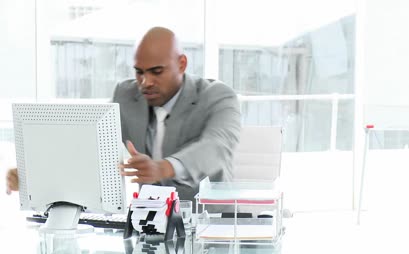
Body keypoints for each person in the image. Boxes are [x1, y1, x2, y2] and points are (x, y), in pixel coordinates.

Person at [6, 27, 241, 203]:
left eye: (156, 72)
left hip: (213, 223)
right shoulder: (126, 95)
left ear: (181, 64)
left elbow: (216, 147)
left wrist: (164, 167)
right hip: (149, 224)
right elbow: (86, 143)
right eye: (139, 72)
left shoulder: (218, 96)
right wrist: (35, 174)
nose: (145, 82)